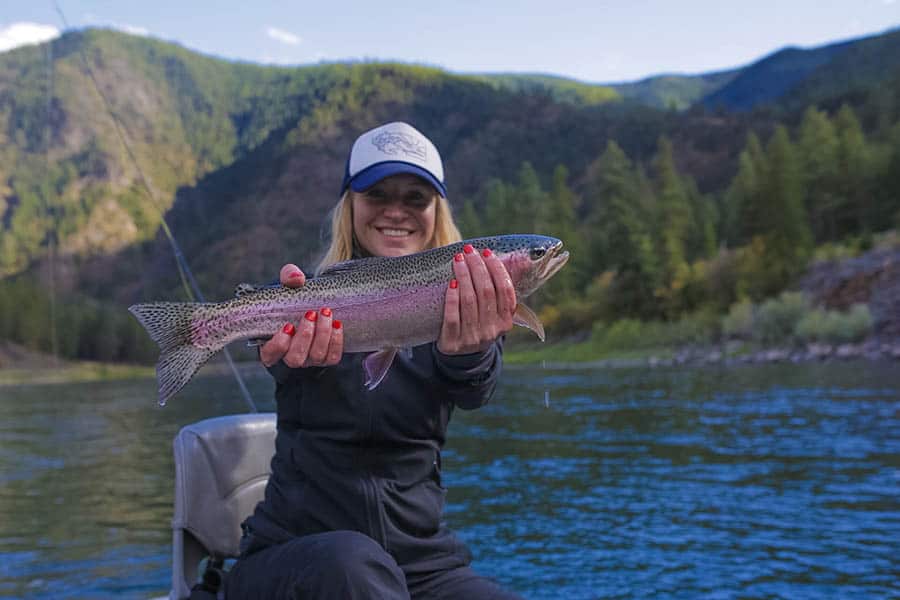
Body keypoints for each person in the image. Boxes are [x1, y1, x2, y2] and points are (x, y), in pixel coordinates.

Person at [226, 122, 524, 599]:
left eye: (415, 198)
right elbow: (279, 361)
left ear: (437, 211)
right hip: (296, 557)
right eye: (377, 193)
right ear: (350, 205)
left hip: (421, 564)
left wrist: (470, 352)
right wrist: (290, 360)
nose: (395, 211)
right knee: (350, 564)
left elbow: (475, 386)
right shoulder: (307, 297)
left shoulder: (466, 309)